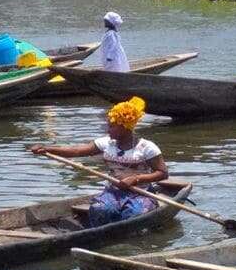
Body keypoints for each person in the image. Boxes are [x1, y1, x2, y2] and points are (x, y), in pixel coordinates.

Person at [30, 96, 168, 227]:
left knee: (133, 214)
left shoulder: (147, 147)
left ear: (125, 126)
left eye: (112, 126)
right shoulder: (106, 143)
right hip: (113, 192)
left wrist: (136, 179)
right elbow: (76, 151)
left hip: (141, 193)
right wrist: (47, 149)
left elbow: (163, 173)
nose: (108, 129)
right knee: (99, 210)